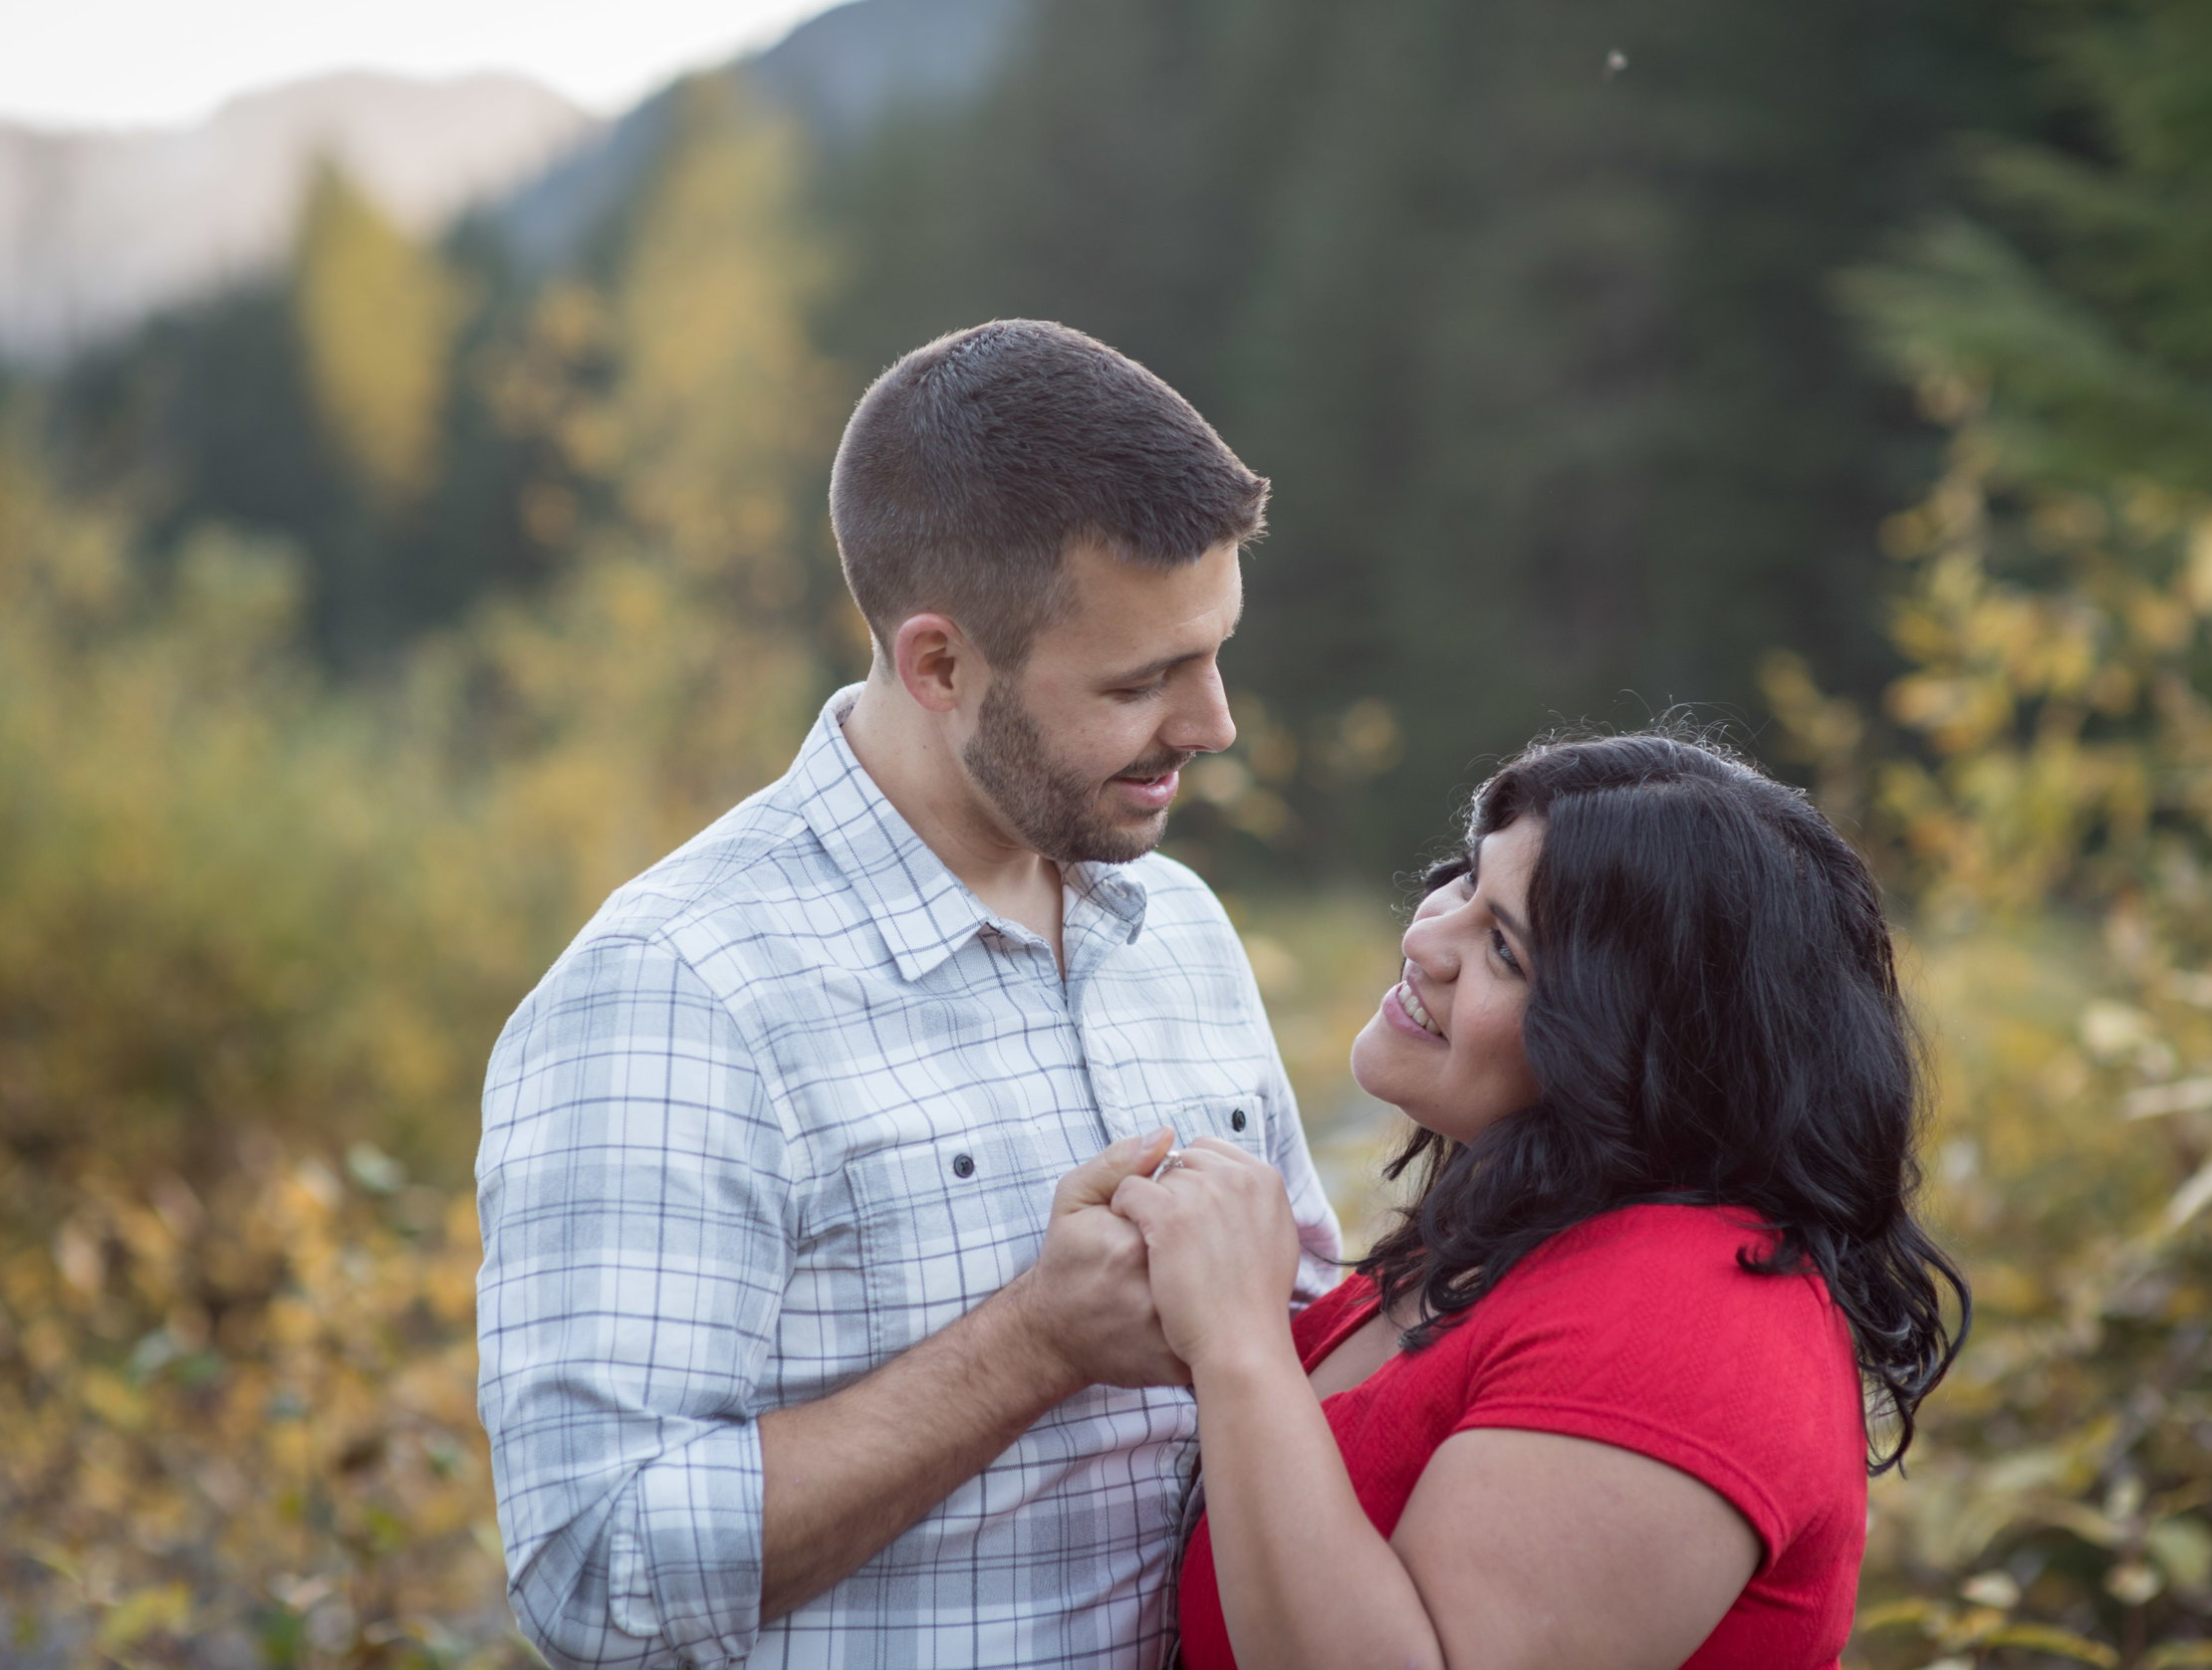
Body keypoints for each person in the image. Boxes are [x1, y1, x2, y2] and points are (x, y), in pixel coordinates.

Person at [475, 320, 1341, 1670]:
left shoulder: (1181, 929)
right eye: (1141, 680)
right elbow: (593, 1567)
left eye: (1214, 649)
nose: (1214, 721)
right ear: (939, 665)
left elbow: (1311, 1342)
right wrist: (1032, 1344)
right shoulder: (680, 991)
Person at [1110, 731, 1969, 1670]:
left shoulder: (1696, 1315)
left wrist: (1235, 1341)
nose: (1426, 937)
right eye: (1465, 882)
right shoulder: (1509, 1244)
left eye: (1506, 950)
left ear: (1638, 1053)